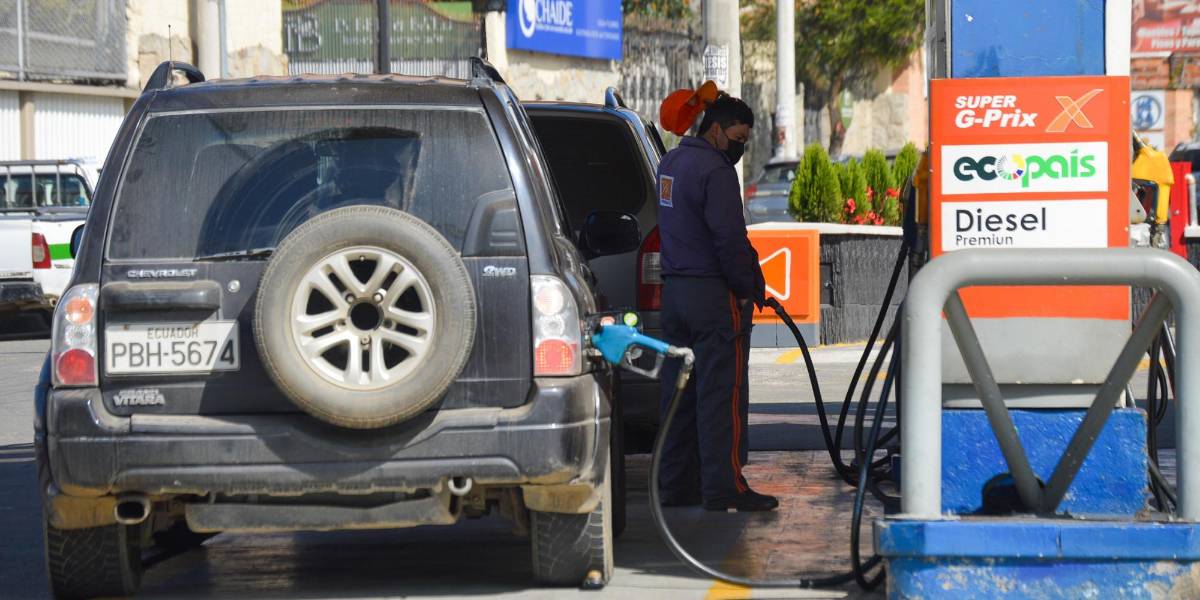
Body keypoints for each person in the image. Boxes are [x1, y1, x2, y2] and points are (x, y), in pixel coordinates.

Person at [655, 95, 777, 512]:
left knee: (679, 394)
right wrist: (747, 286)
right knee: (719, 396)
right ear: (715, 129)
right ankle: (725, 488)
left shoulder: (669, 164)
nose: (740, 147)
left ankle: (674, 486)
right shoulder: (716, 171)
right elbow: (729, 239)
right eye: (737, 137)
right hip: (712, 296)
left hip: (675, 294)